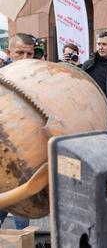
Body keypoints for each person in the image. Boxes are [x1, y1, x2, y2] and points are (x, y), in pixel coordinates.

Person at [0, 33, 36, 229]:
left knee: (23, 217)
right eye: (19, 53)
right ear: (9, 53)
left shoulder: (39, 78)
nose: (25, 58)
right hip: (2, 157)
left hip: (27, 159)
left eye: (29, 54)